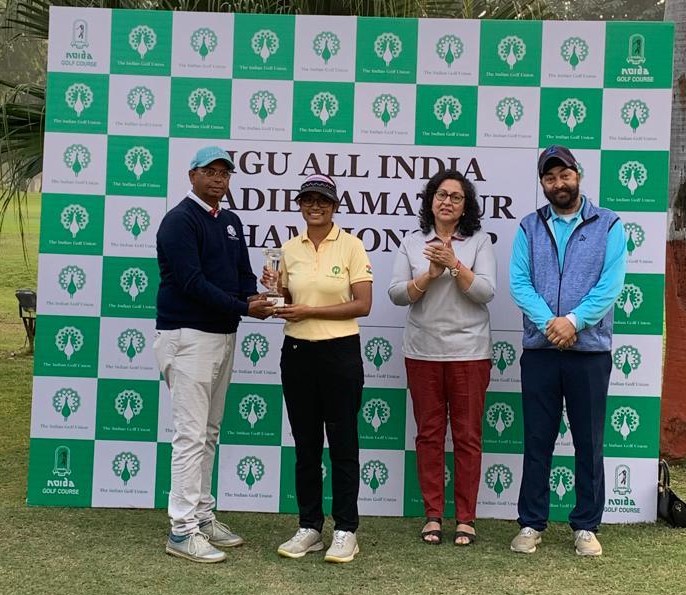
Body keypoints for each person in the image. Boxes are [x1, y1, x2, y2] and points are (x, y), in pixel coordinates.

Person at [154, 146, 273, 563]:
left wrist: (263, 297)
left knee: (209, 430)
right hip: (187, 336)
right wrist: (245, 307)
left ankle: (202, 516)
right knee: (189, 434)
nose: (219, 179)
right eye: (210, 171)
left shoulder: (230, 221)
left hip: (222, 335)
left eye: (225, 172)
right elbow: (190, 282)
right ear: (192, 176)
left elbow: (241, 278)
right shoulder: (179, 221)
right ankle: (181, 530)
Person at [509, 145, 626, 557]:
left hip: (589, 351)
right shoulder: (528, 226)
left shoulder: (609, 224)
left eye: (565, 175)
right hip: (541, 350)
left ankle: (586, 525)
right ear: (542, 183)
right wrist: (551, 324)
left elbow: (610, 285)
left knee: (589, 441)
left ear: (578, 174)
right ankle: (531, 523)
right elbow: (519, 283)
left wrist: (572, 322)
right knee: (537, 439)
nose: (559, 183)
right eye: (550, 177)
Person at [267, 173, 373, 563]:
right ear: (299, 205)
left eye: (323, 201)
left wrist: (309, 309)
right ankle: (310, 527)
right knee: (306, 446)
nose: (315, 206)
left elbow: (362, 304)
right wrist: (277, 293)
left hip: (340, 352)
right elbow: (288, 300)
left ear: (334, 206)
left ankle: (345, 529)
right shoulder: (288, 248)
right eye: (308, 200)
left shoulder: (352, 245)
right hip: (297, 352)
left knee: (343, 445)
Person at [388, 170, 496, 546]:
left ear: (467, 206)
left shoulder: (479, 242)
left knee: (467, 437)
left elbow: (485, 292)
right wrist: (430, 275)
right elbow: (397, 295)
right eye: (441, 194)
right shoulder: (412, 242)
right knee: (429, 436)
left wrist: (453, 263)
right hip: (423, 353)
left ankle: (465, 518)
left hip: (469, 353)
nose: (447, 201)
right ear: (430, 200)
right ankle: (433, 515)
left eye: (456, 196)